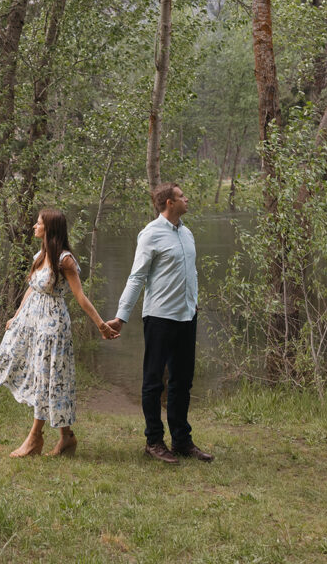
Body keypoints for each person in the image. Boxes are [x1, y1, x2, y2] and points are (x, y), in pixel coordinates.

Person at [0, 206, 119, 457]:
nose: (34, 226)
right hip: (35, 324)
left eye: (38, 223)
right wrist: (16, 316)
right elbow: (31, 288)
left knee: (48, 378)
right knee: (48, 377)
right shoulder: (42, 254)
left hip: (53, 326)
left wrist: (101, 325)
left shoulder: (65, 260)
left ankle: (34, 438)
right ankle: (66, 437)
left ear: (49, 229)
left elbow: (80, 297)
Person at [106, 182, 214, 465]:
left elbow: (192, 272)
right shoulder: (150, 234)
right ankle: (153, 440)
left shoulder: (187, 234)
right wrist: (121, 316)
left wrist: (194, 299)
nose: (186, 199)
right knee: (154, 381)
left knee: (182, 380)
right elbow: (136, 277)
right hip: (159, 318)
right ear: (168, 203)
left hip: (186, 317)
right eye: (181, 196)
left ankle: (181, 440)